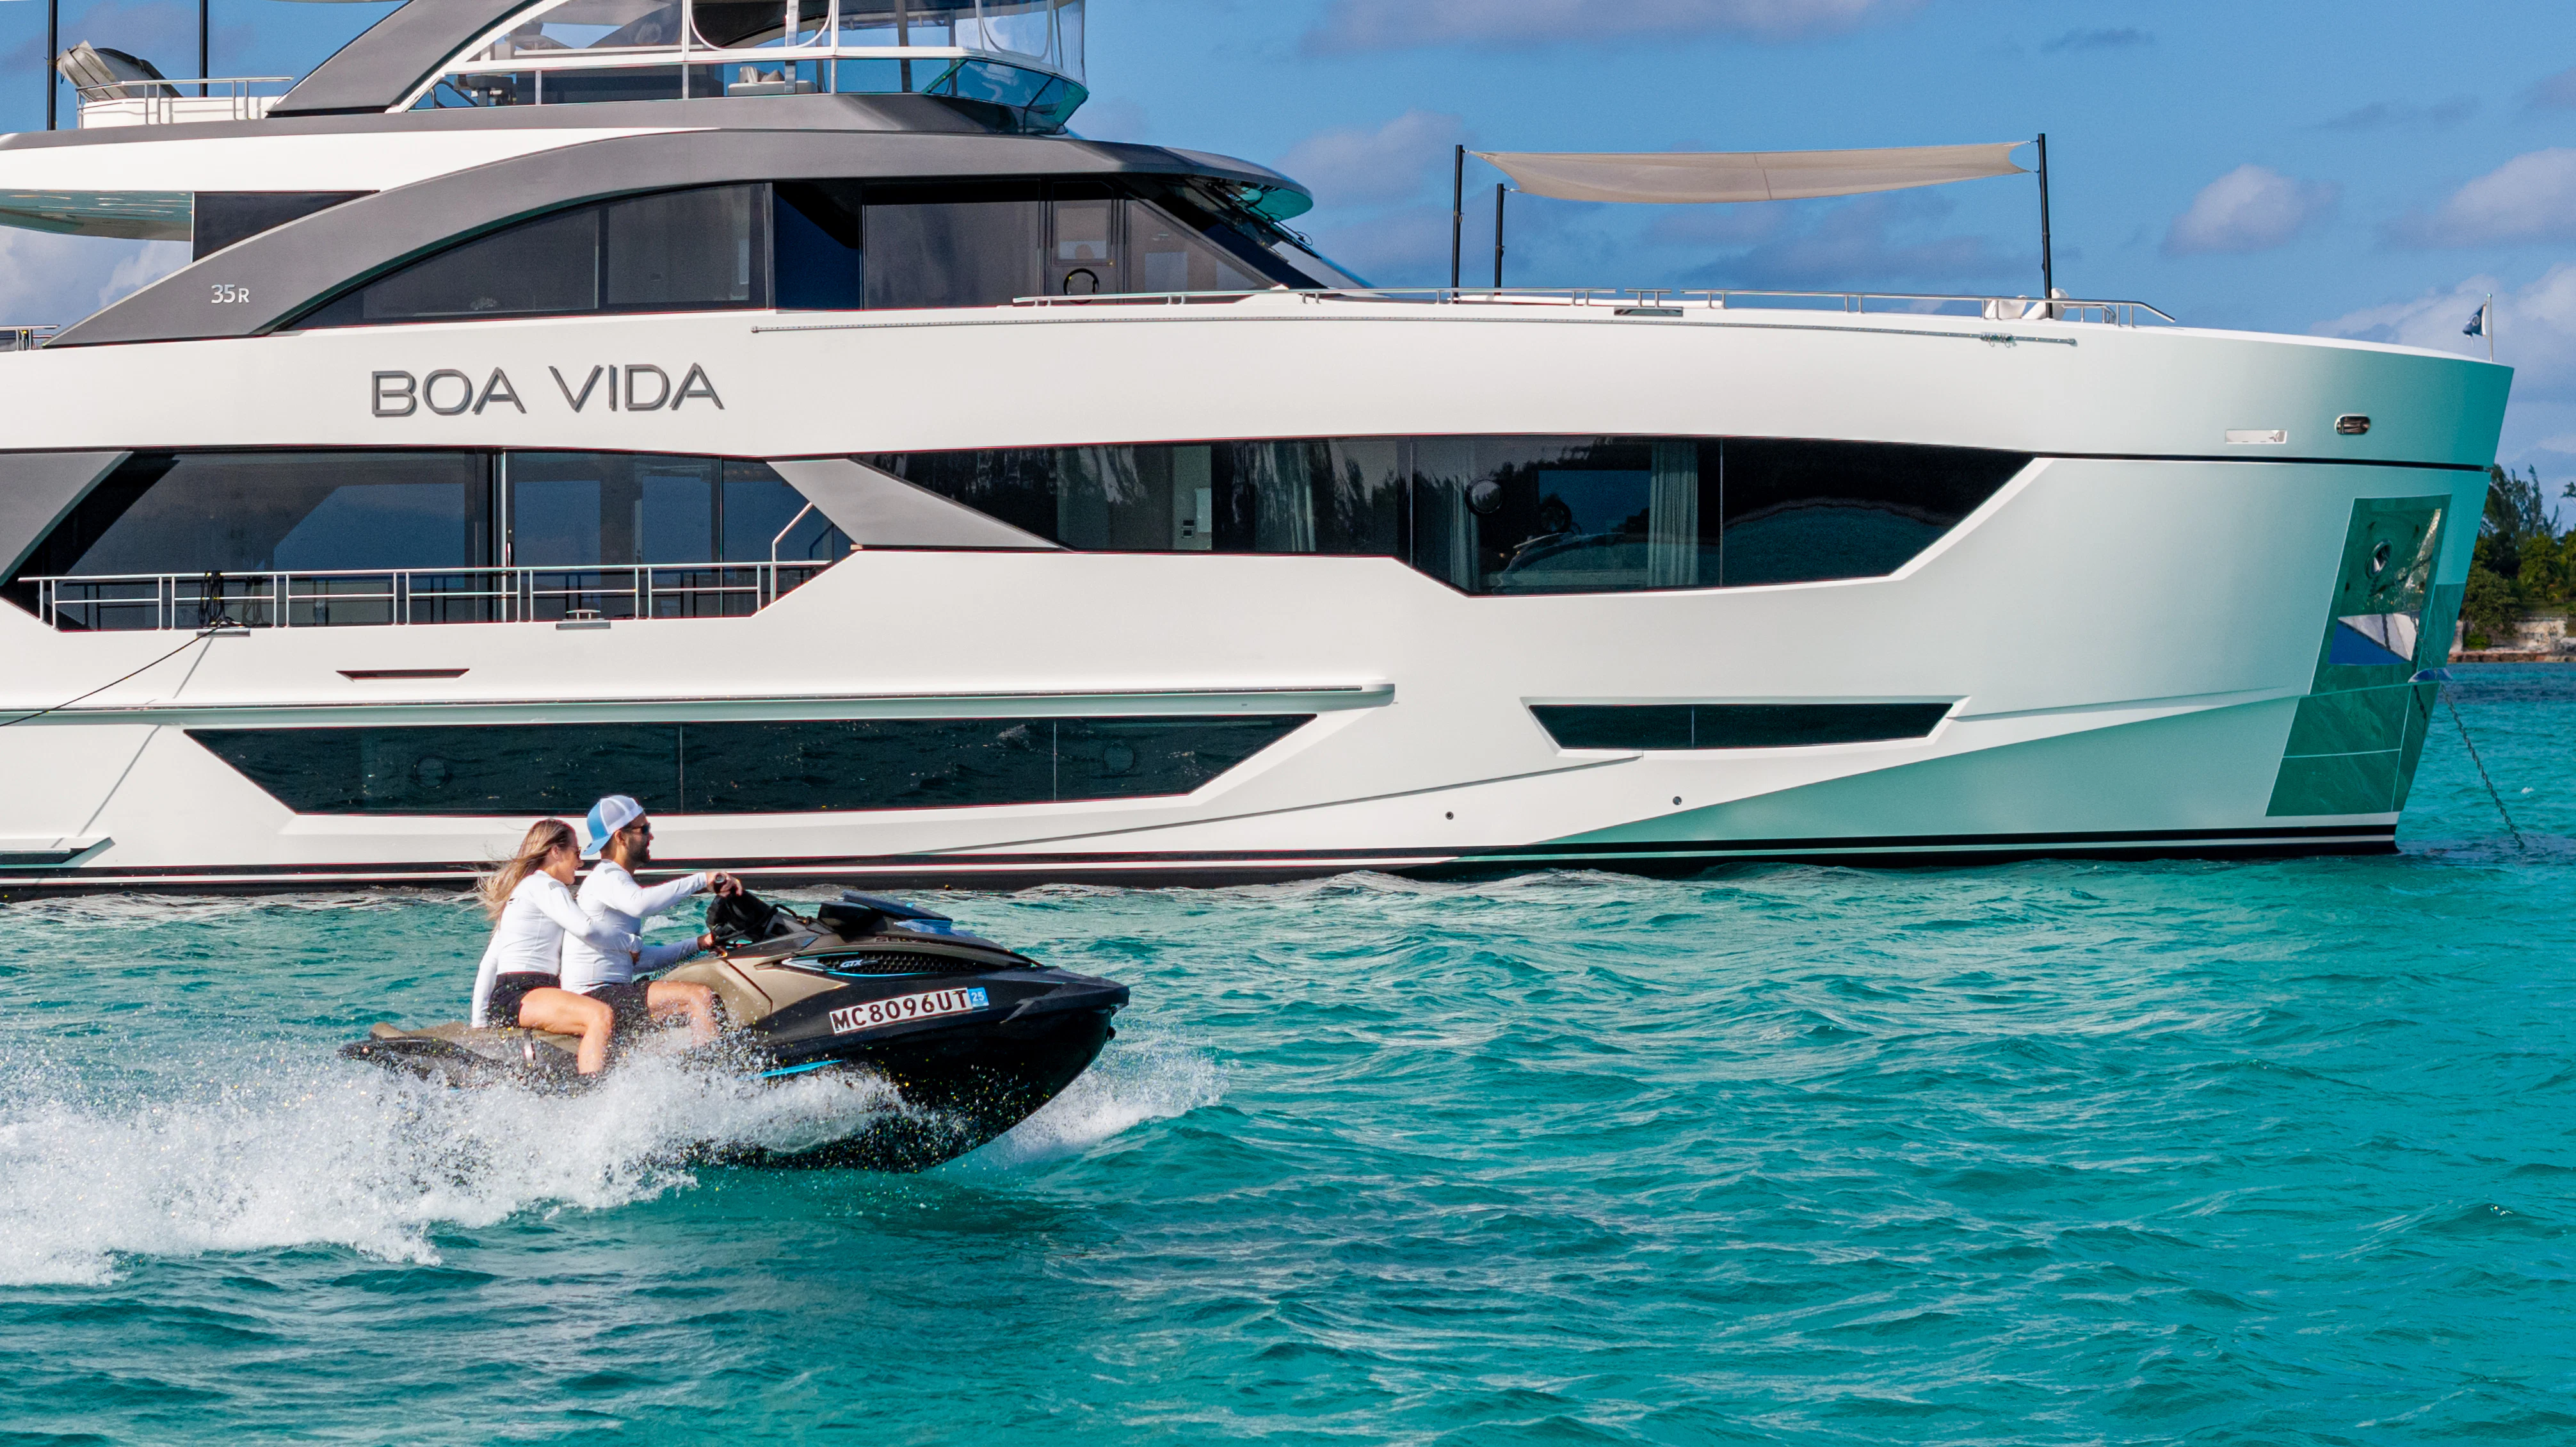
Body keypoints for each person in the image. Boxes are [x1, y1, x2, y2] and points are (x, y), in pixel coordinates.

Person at [467, 818, 643, 1076]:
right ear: (555, 851)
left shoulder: (525, 889)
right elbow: (587, 929)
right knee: (599, 1015)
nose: (581, 863)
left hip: (511, 996)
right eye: (577, 852)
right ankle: (595, 1093)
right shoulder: (547, 886)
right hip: (524, 993)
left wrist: (480, 1022)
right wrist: (631, 943)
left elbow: (489, 963)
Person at [559, 794, 730, 1047]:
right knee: (699, 997)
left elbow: (642, 961)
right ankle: (713, 1077)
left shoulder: (614, 882)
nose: (651, 836)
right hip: (595, 996)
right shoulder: (606, 876)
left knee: (701, 996)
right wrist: (702, 879)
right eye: (645, 829)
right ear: (620, 837)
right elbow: (641, 904)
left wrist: (701, 943)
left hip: (610, 992)